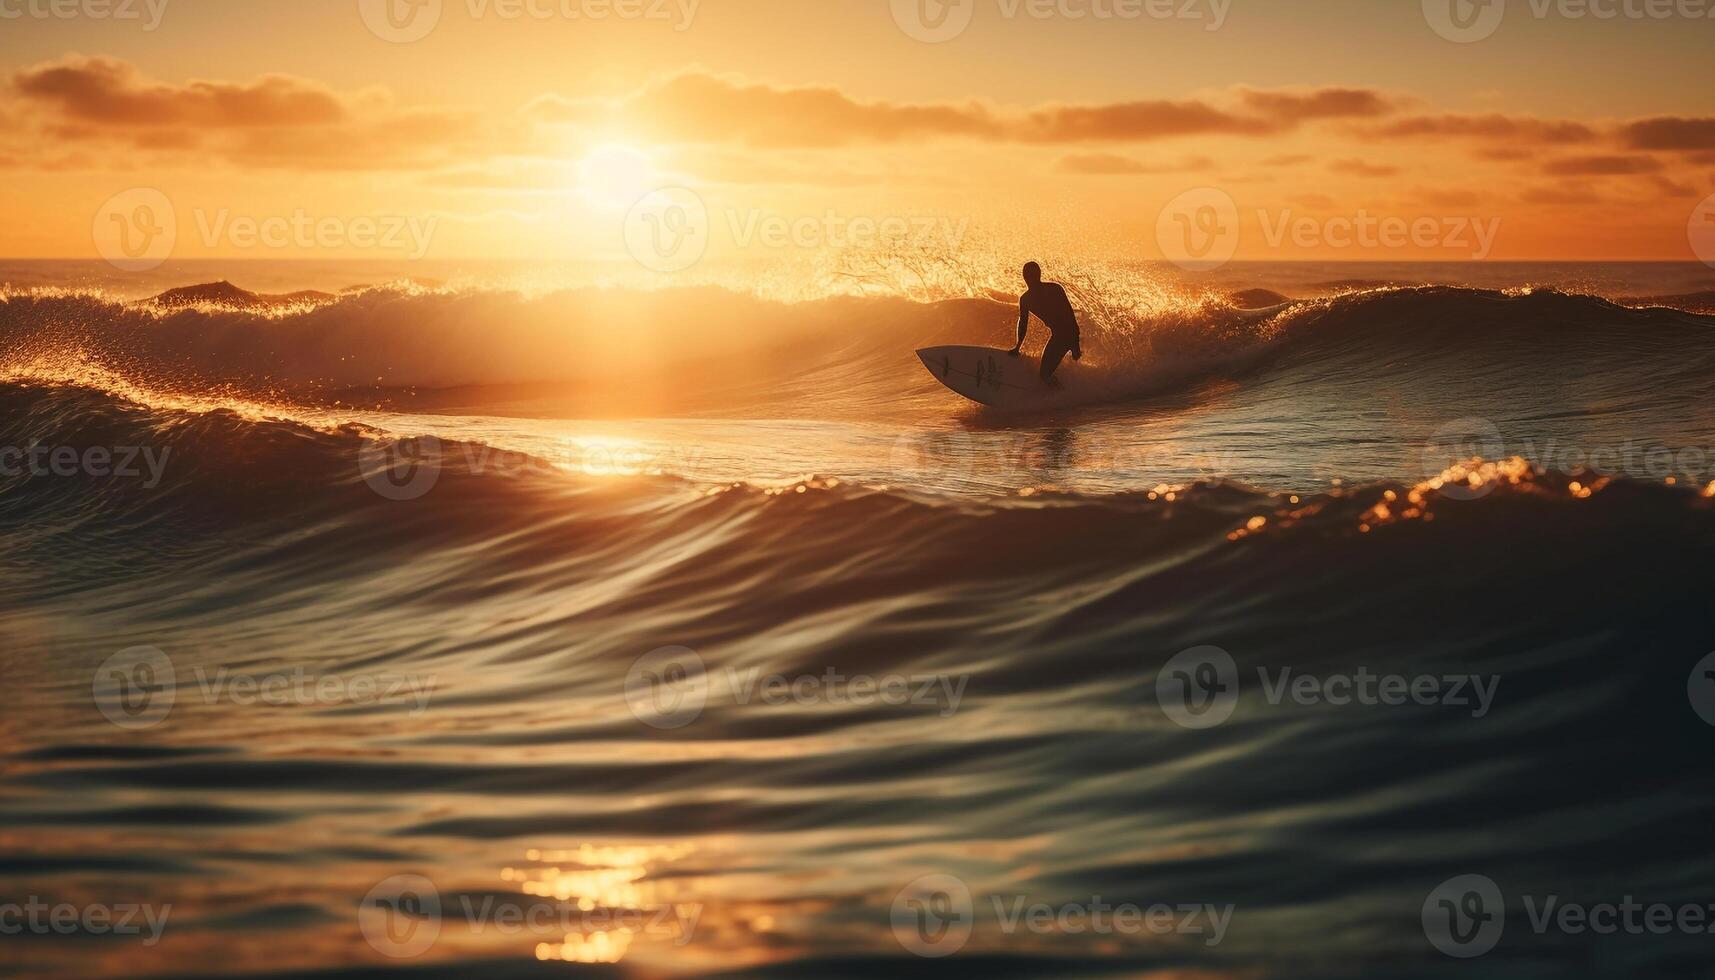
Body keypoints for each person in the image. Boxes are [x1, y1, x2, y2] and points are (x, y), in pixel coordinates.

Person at [1008, 262, 1082, 386]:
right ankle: (1063, 392)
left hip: (1067, 334)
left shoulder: (1054, 289)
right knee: (1045, 374)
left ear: (1039, 275)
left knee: (1044, 374)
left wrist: (1075, 343)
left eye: (1033, 274)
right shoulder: (1025, 299)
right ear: (1024, 276)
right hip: (1058, 335)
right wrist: (1018, 347)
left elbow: (1069, 314)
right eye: (1027, 275)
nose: (1030, 278)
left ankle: (1063, 396)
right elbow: (1023, 323)